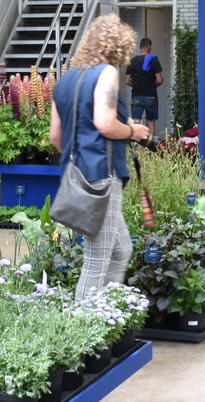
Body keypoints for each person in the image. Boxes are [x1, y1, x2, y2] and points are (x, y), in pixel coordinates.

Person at [49, 16, 151, 300]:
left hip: (77, 175)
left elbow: (56, 137)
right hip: (102, 176)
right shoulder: (106, 73)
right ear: (119, 46)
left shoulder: (65, 79)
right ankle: (84, 323)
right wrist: (132, 131)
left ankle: (107, 312)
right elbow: (105, 124)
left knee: (121, 250)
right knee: (97, 259)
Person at [125, 37, 164, 136]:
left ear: (140, 47)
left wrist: (136, 85)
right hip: (150, 96)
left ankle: (136, 146)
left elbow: (126, 81)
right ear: (149, 47)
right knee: (150, 122)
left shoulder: (132, 61)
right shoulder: (153, 60)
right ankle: (150, 146)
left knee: (136, 123)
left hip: (136, 96)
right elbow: (159, 80)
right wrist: (153, 85)